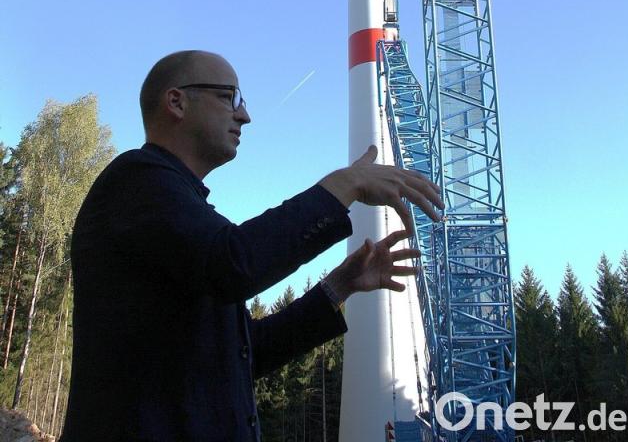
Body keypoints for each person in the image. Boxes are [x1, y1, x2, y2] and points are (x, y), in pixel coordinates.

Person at [59, 50, 443, 442]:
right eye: (230, 97)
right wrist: (344, 184)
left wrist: (339, 285)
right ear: (176, 101)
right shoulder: (136, 181)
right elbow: (234, 263)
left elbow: (243, 353)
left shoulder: (181, 211)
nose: (244, 115)